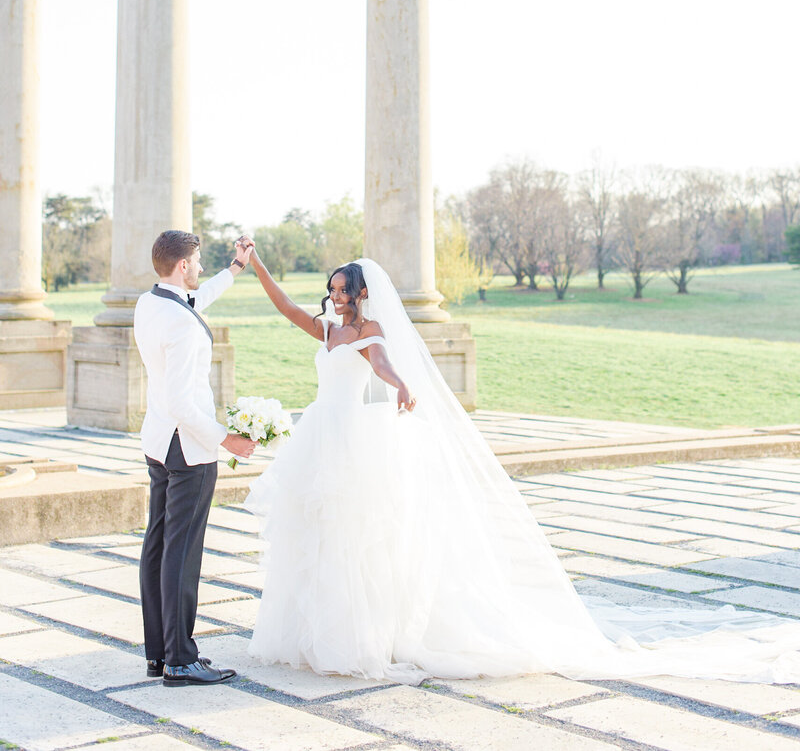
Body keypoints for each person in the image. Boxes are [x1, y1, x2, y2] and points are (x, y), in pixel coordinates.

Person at [244, 252, 800, 685]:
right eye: (332, 289)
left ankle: (358, 638)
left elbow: (385, 365)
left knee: (357, 537)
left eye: (344, 290)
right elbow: (287, 308)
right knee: (318, 534)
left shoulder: (370, 333)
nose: (335, 296)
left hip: (353, 439)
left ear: (363, 294)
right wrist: (259, 265)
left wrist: (402, 384)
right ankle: (315, 635)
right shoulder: (326, 328)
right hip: (322, 436)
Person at [133, 229, 257, 687]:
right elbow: (184, 403)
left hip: (158, 442)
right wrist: (227, 440)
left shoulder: (150, 303)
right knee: (181, 554)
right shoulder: (182, 325)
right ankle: (181, 659)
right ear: (183, 265)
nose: (201, 268)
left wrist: (235, 268)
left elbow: (195, 300)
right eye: (198, 261)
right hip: (188, 448)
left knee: (158, 546)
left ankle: (159, 653)